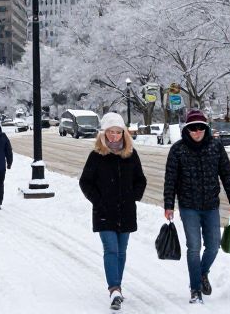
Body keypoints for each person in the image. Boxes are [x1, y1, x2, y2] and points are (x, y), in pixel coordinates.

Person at [163, 109, 230, 304]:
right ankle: (195, 289)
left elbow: (227, 174)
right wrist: (169, 205)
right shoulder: (178, 149)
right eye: (193, 128)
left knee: (213, 245)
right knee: (194, 247)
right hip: (188, 206)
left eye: (201, 128)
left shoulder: (216, 146)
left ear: (206, 128)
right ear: (187, 129)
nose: (197, 132)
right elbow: (170, 179)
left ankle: (202, 273)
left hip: (211, 205)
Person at [78, 112, 147, 311]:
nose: (114, 136)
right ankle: (114, 289)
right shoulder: (96, 156)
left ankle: (118, 286)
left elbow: (140, 180)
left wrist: (133, 196)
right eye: (111, 132)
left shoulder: (131, 154)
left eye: (118, 132)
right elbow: (85, 182)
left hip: (126, 211)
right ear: (104, 133)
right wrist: (98, 200)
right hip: (104, 212)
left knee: (122, 251)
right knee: (111, 249)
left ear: (123, 133)